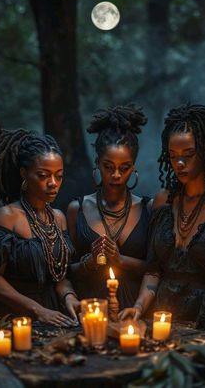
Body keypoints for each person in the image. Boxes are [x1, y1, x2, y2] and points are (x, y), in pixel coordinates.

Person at [119, 103, 205, 333]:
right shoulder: (163, 202)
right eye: (173, 155)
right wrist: (138, 307)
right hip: (162, 319)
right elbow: (153, 270)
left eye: (188, 154)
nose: (179, 163)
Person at [66, 104, 152, 317]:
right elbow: (64, 272)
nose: (116, 174)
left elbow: (157, 269)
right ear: (97, 163)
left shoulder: (148, 209)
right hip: (91, 310)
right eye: (108, 166)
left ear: (133, 167)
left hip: (134, 312)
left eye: (124, 168)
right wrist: (90, 263)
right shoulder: (77, 209)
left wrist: (120, 260)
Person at [0, 129, 76, 326]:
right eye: (43, 175)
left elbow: (59, 276)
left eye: (59, 176)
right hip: (15, 316)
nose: (53, 183)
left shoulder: (58, 218)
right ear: (24, 174)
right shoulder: (7, 217)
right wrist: (37, 310)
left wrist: (69, 297)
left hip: (54, 312)